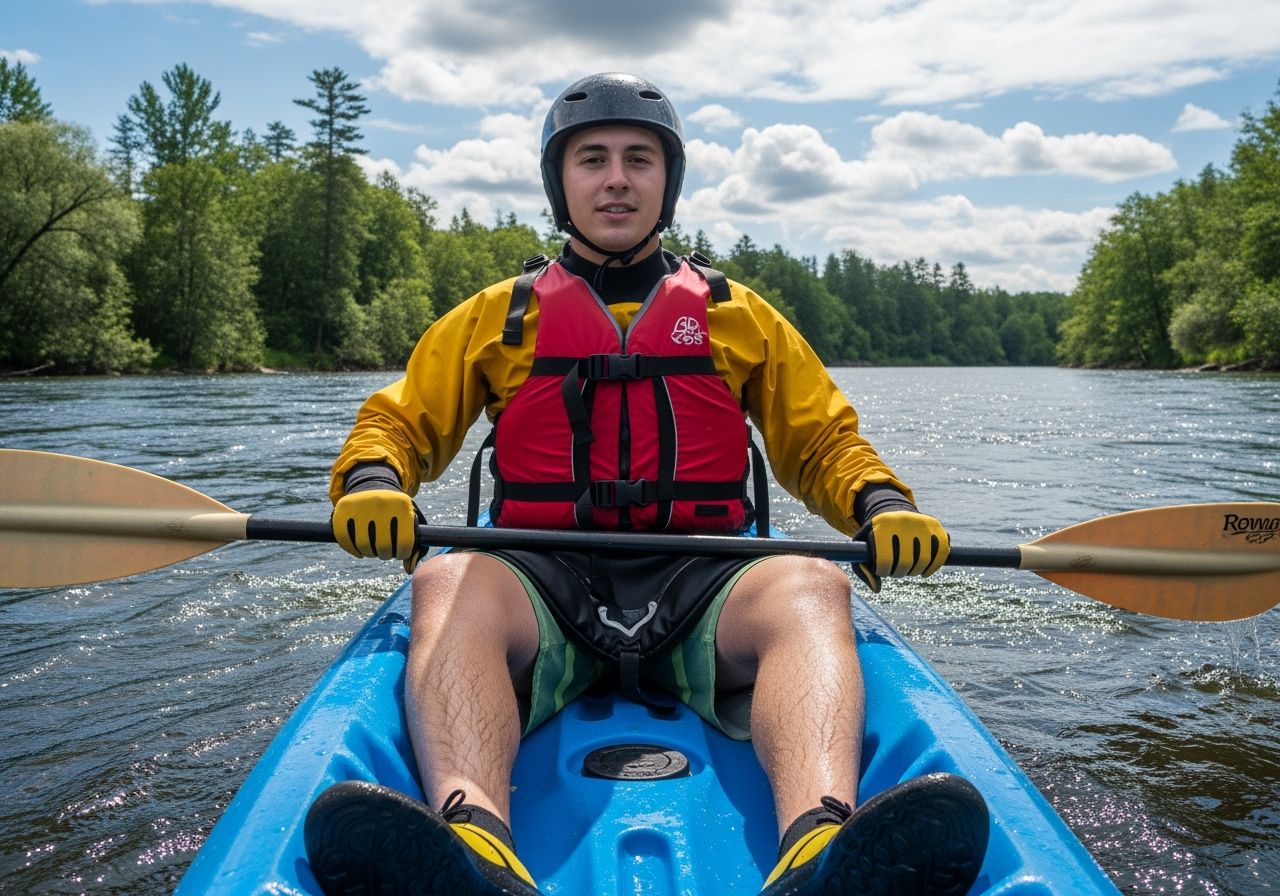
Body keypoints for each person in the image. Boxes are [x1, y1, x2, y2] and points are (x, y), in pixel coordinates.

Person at [304, 72, 989, 896]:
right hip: (541, 576)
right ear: (561, 183)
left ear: (670, 181)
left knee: (811, 583)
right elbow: (401, 422)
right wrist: (375, 481)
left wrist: (880, 503)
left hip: (701, 576)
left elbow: (823, 441)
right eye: (592, 159)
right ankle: (475, 847)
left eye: (640, 158)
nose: (617, 178)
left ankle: (819, 847)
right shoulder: (498, 316)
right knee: (446, 577)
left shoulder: (740, 316)